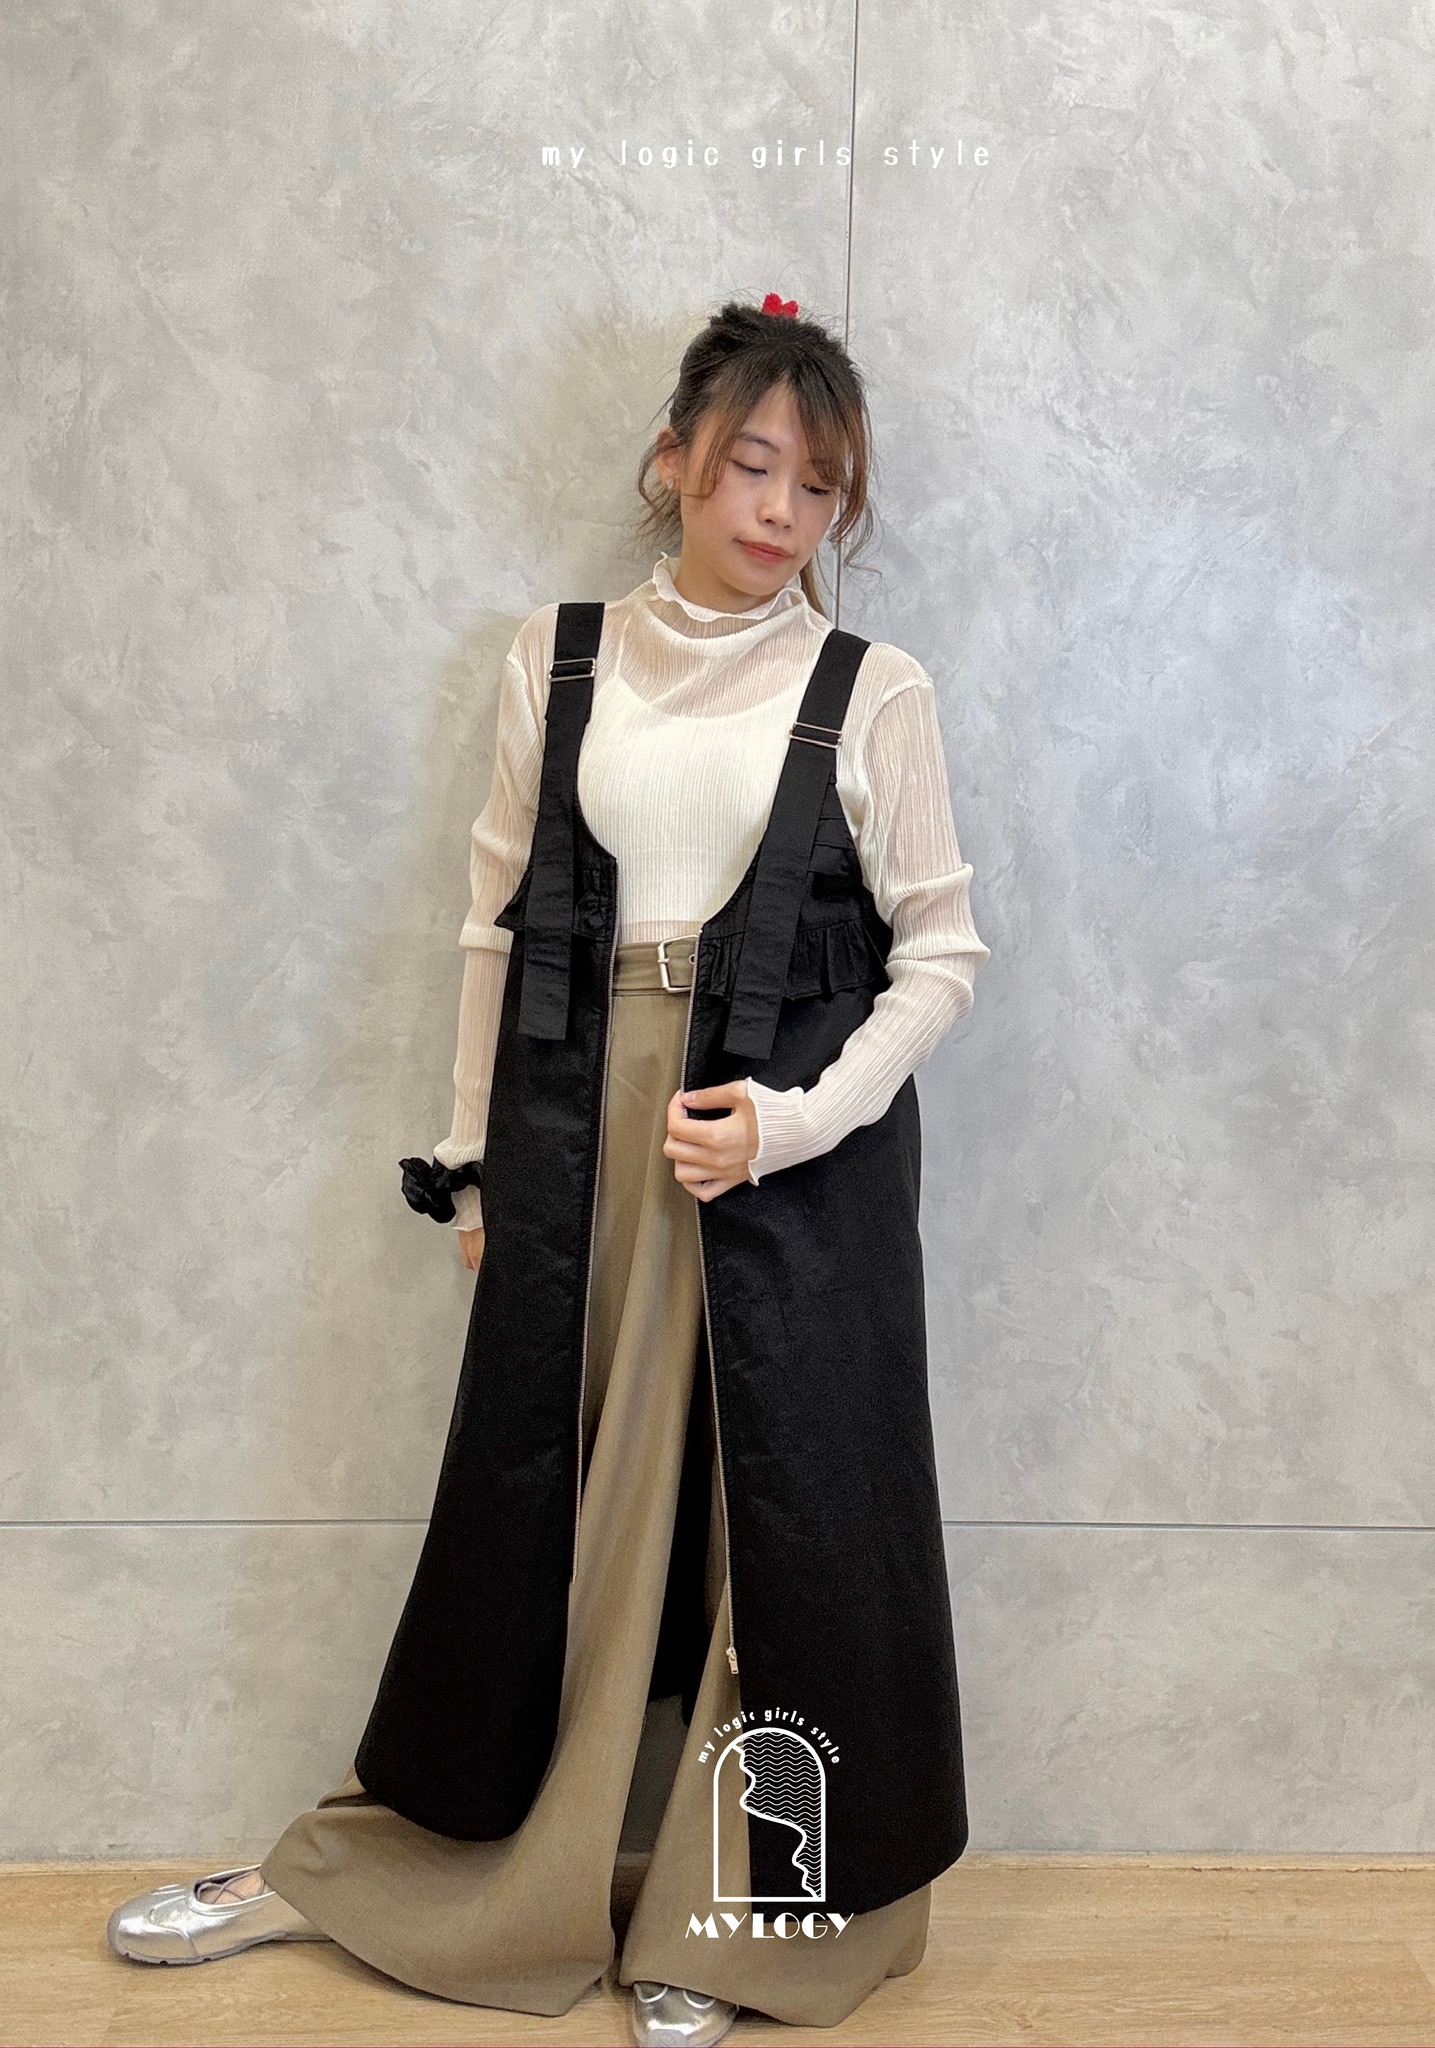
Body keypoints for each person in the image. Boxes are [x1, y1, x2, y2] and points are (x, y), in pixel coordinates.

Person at [107, 293, 990, 2047]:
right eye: (749, 464)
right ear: (672, 460)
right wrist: (469, 1165)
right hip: (580, 1129)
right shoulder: (557, 656)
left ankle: (743, 1924)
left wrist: (795, 1122)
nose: (780, 510)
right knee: (543, 1503)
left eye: (818, 485)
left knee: (786, 1520)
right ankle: (400, 1868)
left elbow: (942, 957)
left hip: (784, 1156)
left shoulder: (869, 688)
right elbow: (493, 920)